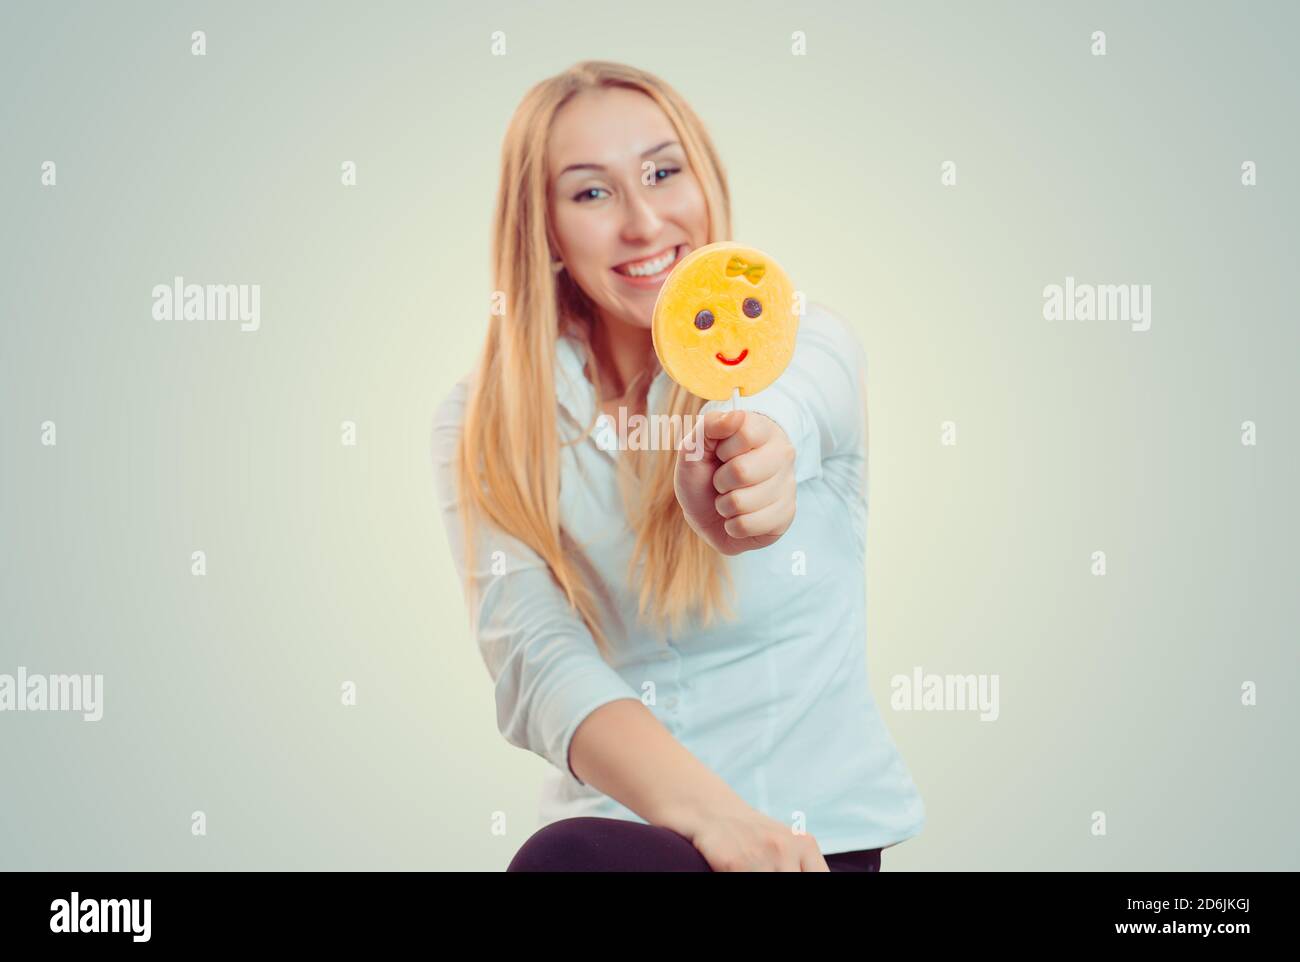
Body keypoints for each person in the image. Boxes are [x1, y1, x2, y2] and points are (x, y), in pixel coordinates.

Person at [431, 61, 924, 872]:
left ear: (705, 179)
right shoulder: (480, 420)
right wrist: (717, 821)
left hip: (811, 849)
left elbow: (788, 412)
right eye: (592, 192)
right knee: (572, 858)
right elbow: (538, 658)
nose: (644, 221)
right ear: (543, 229)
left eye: (663, 172)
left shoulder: (802, 343)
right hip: (619, 847)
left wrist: (747, 472)